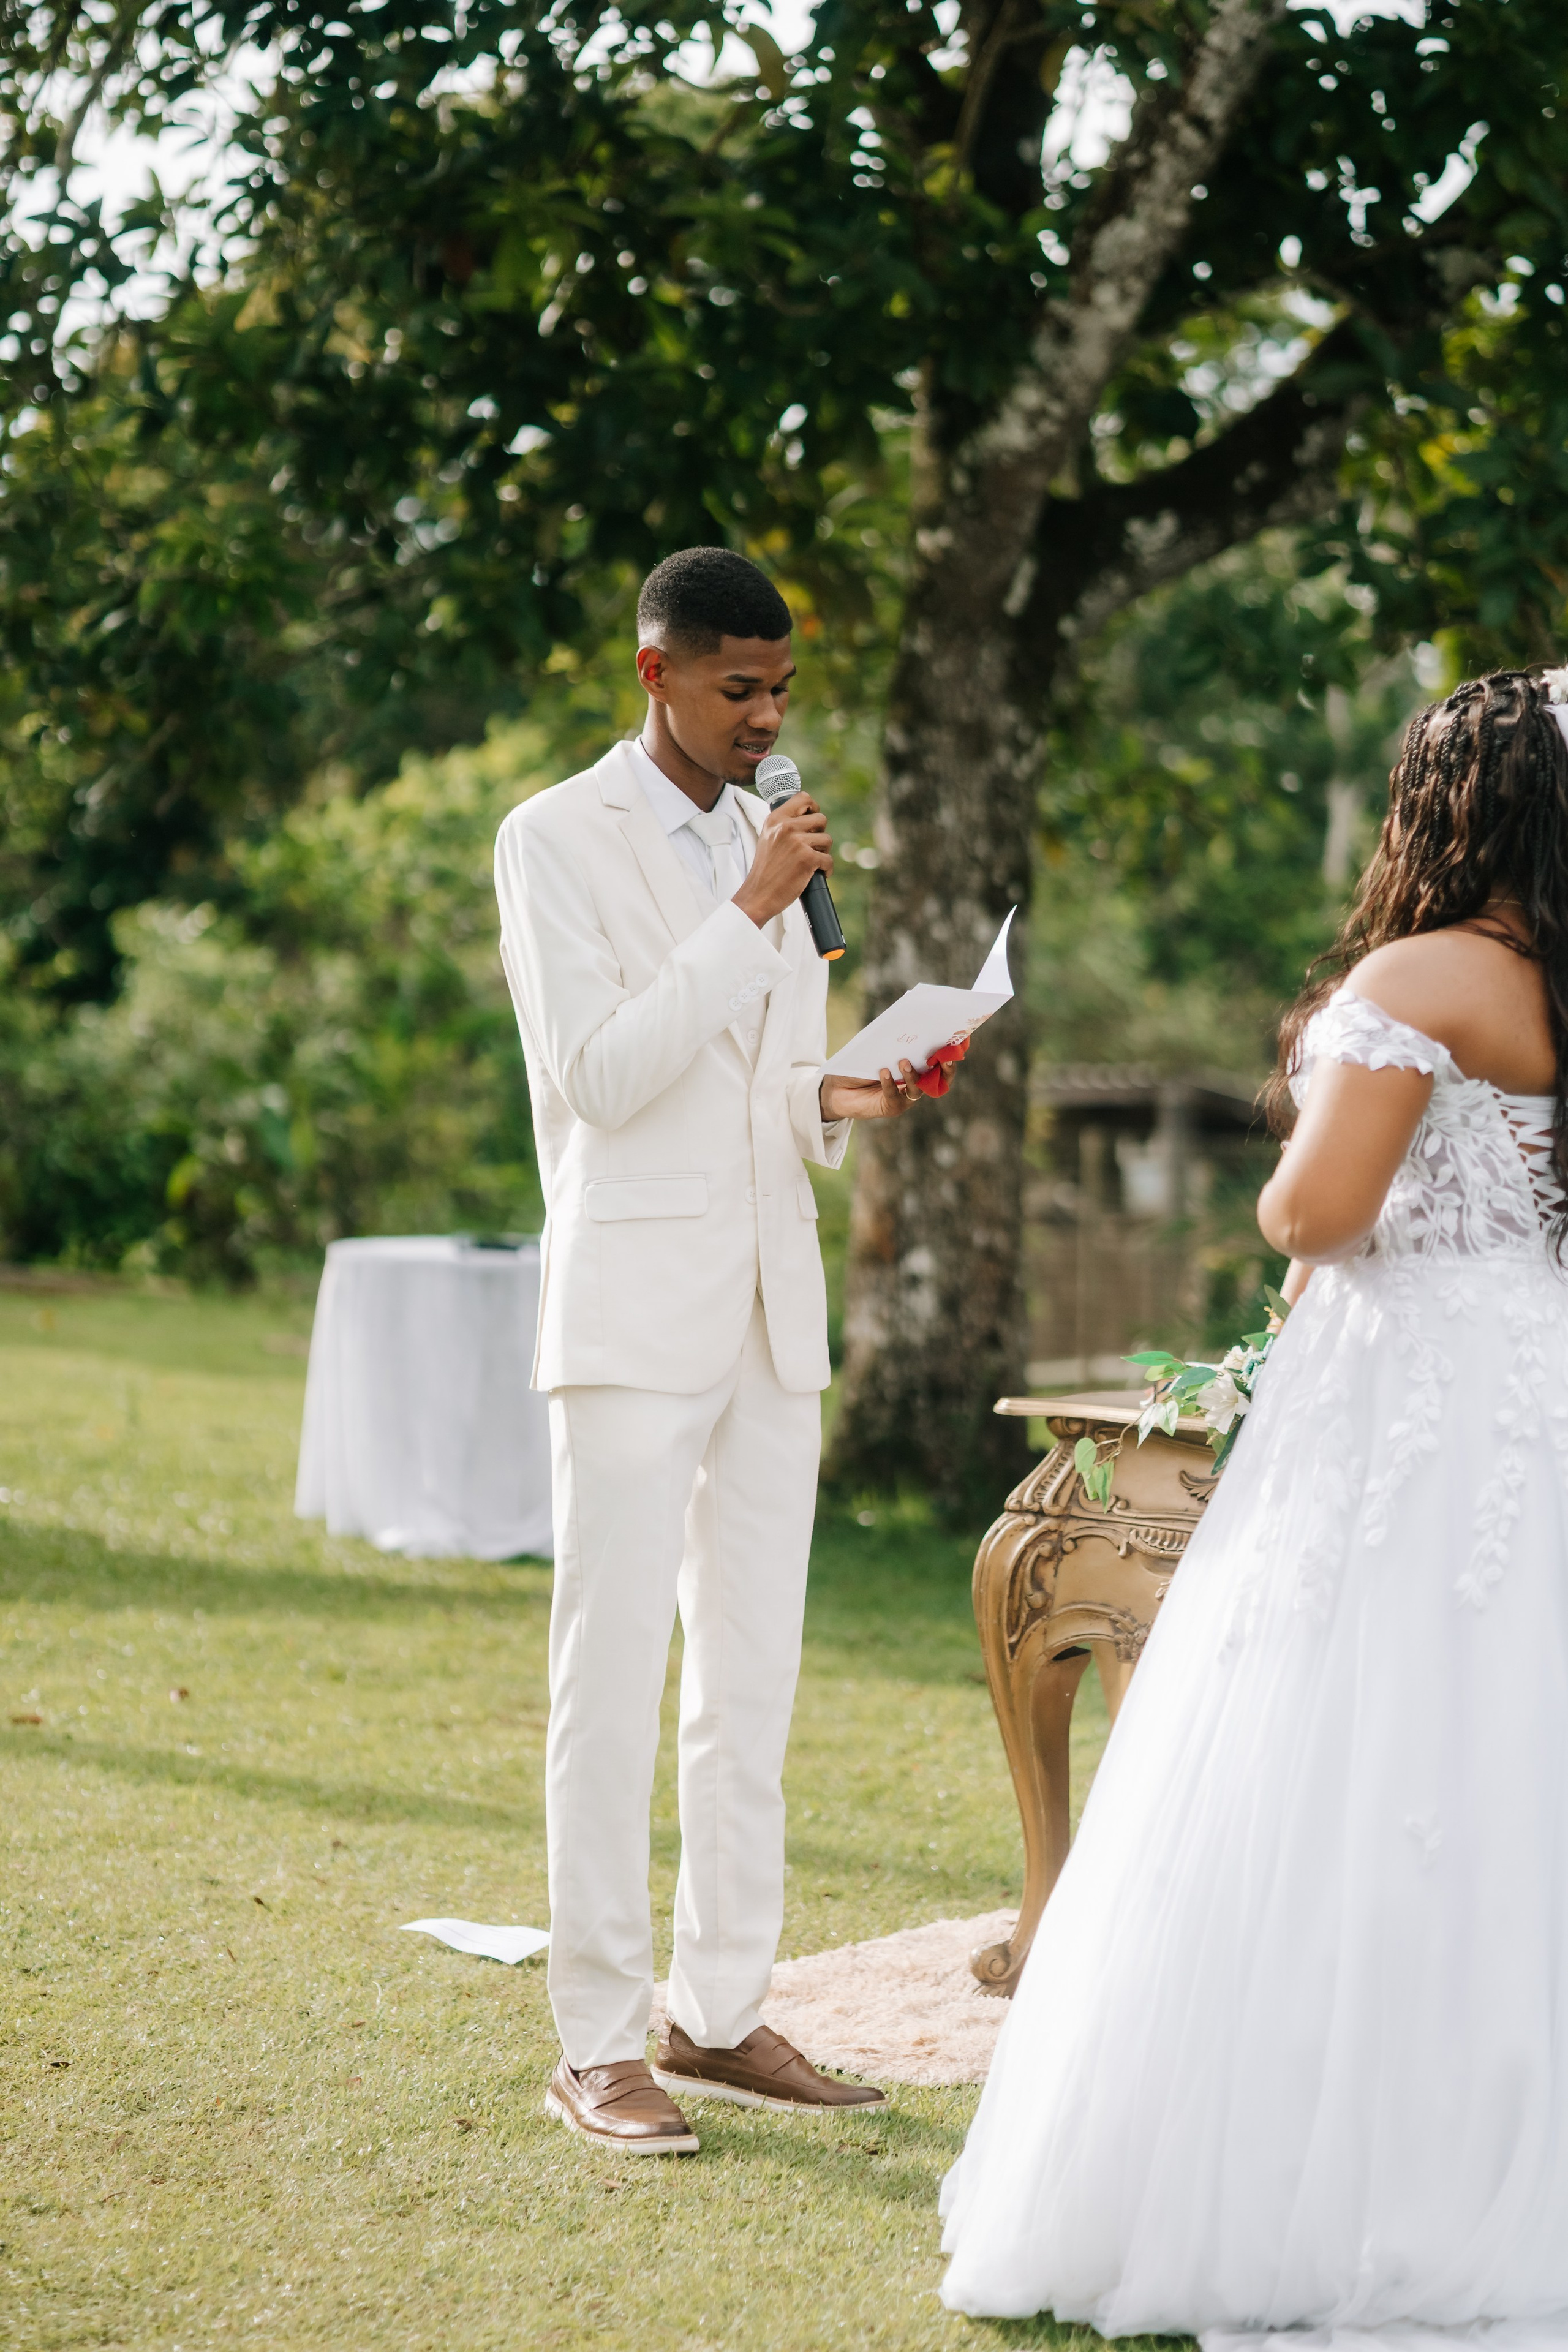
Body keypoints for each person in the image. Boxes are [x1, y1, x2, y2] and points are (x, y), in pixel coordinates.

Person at [939, 668, 1568, 2344]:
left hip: (1414, 1398)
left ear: (1452, 802)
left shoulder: (1423, 973)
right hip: (1536, 1380)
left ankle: (1318, 2173)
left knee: (1338, 1746)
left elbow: (1321, 1209)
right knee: (1507, 1753)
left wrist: (1297, 1150)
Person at [494, 547, 934, 2154]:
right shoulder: (554, 838)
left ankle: (722, 2014)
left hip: (770, 1315)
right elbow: (604, 1078)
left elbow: (756, 1079)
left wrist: (846, 1096)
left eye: (782, 691)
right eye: (738, 687)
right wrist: (746, 914)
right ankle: (598, 2044)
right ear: (655, 672)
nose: (767, 719)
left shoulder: (776, 844)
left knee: (748, 1695)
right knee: (608, 1689)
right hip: (628, 1315)